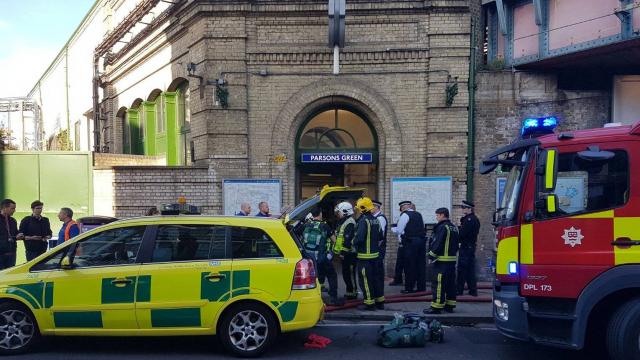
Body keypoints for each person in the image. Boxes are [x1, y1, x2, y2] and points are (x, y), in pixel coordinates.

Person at [424, 207, 459, 314]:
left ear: (442, 215)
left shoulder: (443, 227)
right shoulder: (454, 227)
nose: (436, 217)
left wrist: (431, 256)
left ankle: (436, 307)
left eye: (437, 215)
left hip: (441, 261)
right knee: (450, 284)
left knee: (438, 283)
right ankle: (450, 305)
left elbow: (437, 243)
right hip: (451, 260)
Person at [302, 208, 341, 305]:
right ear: (320, 214)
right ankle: (333, 298)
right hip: (322, 258)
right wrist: (332, 253)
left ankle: (314, 299)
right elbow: (334, 240)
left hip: (309, 259)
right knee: (332, 275)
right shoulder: (325, 226)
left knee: (314, 278)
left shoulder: (306, 225)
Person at [354, 197, 384, 310]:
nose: (358, 210)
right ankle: (380, 302)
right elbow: (381, 237)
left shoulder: (363, 221)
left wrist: (353, 242)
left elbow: (360, 238)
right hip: (375, 256)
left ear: (362, 208)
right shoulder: (376, 220)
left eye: (359, 208)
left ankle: (369, 304)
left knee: (365, 280)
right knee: (376, 279)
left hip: (364, 257)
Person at [393, 201, 427, 294]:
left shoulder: (405, 215)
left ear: (403, 207)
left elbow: (399, 230)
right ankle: (421, 287)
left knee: (409, 266)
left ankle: (409, 288)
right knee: (420, 265)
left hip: (410, 243)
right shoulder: (419, 214)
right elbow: (423, 228)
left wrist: (394, 230)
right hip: (421, 242)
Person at [333, 201, 358, 300]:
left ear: (345, 211)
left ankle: (353, 292)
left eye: (339, 212)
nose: (338, 214)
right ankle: (349, 291)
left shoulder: (350, 223)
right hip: (345, 253)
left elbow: (347, 239)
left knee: (350, 274)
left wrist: (343, 252)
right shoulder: (345, 221)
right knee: (346, 273)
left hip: (349, 253)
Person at [457, 200, 480, 297]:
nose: (462, 209)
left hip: (466, 246)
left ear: (469, 209)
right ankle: (472, 290)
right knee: (470, 269)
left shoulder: (469, 220)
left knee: (462, 269)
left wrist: (459, 231)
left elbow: (462, 234)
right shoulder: (474, 219)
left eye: (464, 208)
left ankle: (459, 290)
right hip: (471, 246)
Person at [371, 200, 388, 296]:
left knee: (378, 272)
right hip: (376, 249)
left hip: (379, 249)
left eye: (371, 206)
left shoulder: (380, 218)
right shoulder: (374, 217)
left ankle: (379, 294)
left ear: (376, 207)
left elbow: (379, 236)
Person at [0, 199, 19, 269]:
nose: (14, 210)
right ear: (4, 208)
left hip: (12, 254)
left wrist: (19, 235)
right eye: (12, 208)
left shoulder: (13, 221)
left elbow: (15, 233)